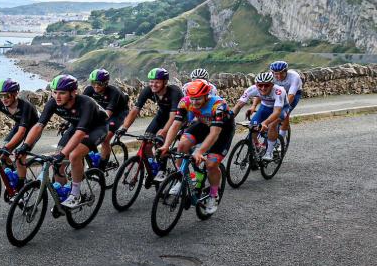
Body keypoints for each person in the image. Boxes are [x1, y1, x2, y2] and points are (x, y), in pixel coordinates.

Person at [14, 75, 109, 208]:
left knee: (74, 155)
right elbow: (38, 126)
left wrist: (63, 154)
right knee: (57, 163)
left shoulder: (87, 103)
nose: (57, 96)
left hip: (97, 128)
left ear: (73, 93)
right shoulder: (53, 102)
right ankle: (64, 195)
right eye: (55, 92)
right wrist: (25, 146)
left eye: (62, 93)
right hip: (76, 126)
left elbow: (80, 133)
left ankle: (76, 195)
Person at [159, 79, 233, 214]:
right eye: (192, 99)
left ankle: (213, 195)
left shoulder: (218, 105)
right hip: (203, 124)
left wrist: (200, 151)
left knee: (211, 164)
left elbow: (215, 133)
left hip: (223, 130)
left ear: (206, 96)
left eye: (198, 99)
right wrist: (166, 145)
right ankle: (184, 177)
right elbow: (176, 125)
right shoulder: (185, 101)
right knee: (182, 146)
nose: (194, 103)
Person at [118, 67, 183, 179]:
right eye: (151, 81)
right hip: (161, 116)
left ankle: (162, 170)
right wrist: (124, 127)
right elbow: (135, 110)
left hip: (177, 118)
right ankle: (154, 167)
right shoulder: (148, 90)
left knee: (160, 143)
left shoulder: (175, 92)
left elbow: (173, 117)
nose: (153, 85)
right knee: (147, 144)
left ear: (165, 82)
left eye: (157, 82)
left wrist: (163, 132)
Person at [231, 71, 287, 161]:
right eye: (260, 85)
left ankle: (269, 152)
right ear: (256, 84)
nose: (263, 88)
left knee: (272, 125)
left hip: (281, 109)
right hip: (265, 107)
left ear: (272, 85)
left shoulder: (279, 91)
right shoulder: (252, 89)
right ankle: (257, 146)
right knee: (253, 125)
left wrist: (265, 122)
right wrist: (229, 118)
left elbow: (277, 112)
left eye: (266, 85)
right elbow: (238, 105)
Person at [82, 69, 129, 170]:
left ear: (106, 83)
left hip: (117, 114)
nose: (96, 86)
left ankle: (102, 165)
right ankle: (96, 157)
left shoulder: (114, 92)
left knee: (106, 138)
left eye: (99, 83)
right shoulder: (89, 90)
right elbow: (81, 107)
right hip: (101, 111)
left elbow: (107, 115)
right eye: (93, 83)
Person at [269, 60, 303, 139]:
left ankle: (281, 139)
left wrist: (282, 109)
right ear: (272, 73)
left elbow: (291, 96)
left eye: (281, 73)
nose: (279, 76)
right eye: (276, 74)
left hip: (293, 93)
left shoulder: (294, 76)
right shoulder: (269, 76)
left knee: (284, 113)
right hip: (279, 93)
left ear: (286, 71)